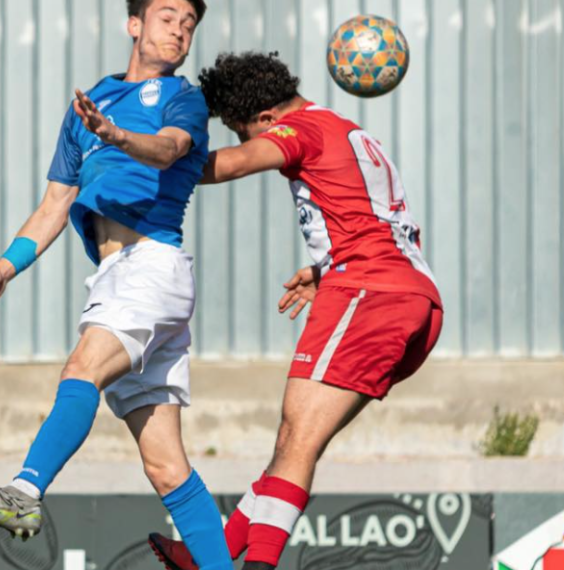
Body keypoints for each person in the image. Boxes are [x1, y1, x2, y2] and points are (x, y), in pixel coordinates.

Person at [0, 0, 232, 568]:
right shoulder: (89, 103)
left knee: (80, 371)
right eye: (168, 16)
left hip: (152, 267)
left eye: (189, 23)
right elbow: (55, 203)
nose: (180, 29)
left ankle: (23, 492)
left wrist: (115, 134)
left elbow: (169, 148)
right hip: (118, 275)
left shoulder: (183, 99)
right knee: (166, 465)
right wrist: (3, 269)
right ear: (135, 24)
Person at [148, 51, 443, 570]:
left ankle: (256, 566)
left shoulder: (298, 130)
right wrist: (324, 268)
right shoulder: (345, 129)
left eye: (246, 131)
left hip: (368, 293)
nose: (248, 143)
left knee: (297, 437)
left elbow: (229, 165)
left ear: (265, 119)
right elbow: (375, 218)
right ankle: (209, 554)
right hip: (413, 296)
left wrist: (145, 152)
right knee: (295, 440)